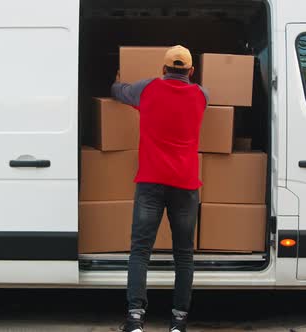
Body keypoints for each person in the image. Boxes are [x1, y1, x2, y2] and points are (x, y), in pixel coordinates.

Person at [111, 45, 208, 332]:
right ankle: (178, 321)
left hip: (151, 182)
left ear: (163, 69)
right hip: (186, 185)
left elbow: (118, 91)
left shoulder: (147, 89)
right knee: (184, 254)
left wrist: (117, 80)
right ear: (191, 71)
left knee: (140, 251)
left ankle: (135, 319)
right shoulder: (202, 95)